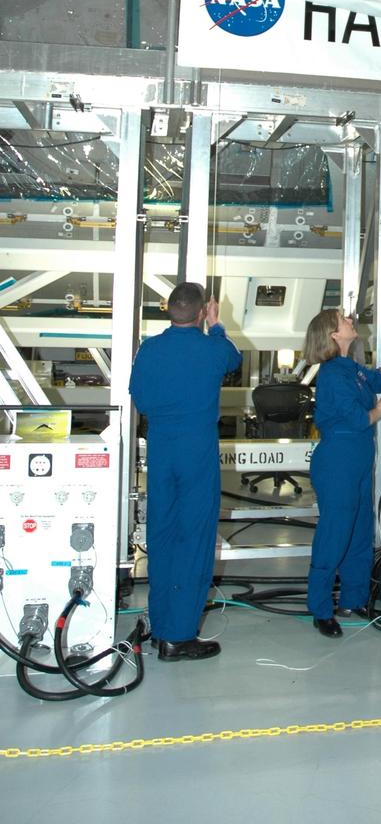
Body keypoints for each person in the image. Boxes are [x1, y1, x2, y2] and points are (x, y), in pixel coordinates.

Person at [130, 282, 242, 661]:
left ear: (168, 310)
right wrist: (217, 325)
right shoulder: (212, 348)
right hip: (196, 454)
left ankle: (161, 626)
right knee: (194, 540)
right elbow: (234, 360)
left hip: (161, 451)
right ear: (200, 313)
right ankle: (178, 637)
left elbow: (140, 400)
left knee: (162, 537)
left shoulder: (150, 349)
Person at [304, 310, 381, 638]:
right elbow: (356, 418)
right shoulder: (332, 375)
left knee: (360, 530)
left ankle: (354, 597)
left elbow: (378, 380)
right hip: (338, 460)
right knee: (335, 533)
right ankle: (321, 609)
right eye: (342, 319)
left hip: (359, 459)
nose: (349, 319)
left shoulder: (350, 369)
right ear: (334, 335)